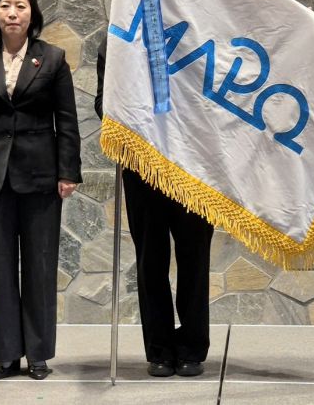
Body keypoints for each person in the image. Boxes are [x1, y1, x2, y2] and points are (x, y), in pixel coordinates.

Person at [0, 0, 82, 380]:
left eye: (21, 7)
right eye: (6, 6)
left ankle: (39, 354)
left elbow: (67, 120)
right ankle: (7, 354)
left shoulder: (54, 58)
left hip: (42, 177)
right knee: (0, 267)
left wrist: (68, 172)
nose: (13, 13)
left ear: (33, 14)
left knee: (41, 266)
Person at [95, 40, 214, 377]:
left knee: (194, 258)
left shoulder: (199, 34)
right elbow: (101, 106)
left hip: (193, 168)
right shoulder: (114, 43)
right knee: (150, 260)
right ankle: (159, 349)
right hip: (142, 169)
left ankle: (192, 346)